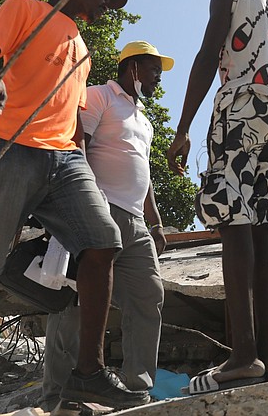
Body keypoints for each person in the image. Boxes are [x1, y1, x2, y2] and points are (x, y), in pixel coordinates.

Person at [0, 0, 149, 416]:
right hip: (9, 145)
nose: (105, 6)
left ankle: (88, 374)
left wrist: (79, 161)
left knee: (102, 242)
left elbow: (72, 117)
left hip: (65, 157)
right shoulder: (25, 9)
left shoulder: (82, 47)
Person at [167, 0, 268, 394]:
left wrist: (184, 126)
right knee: (267, 231)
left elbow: (209, 53)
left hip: (239, 112)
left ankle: (243, 356)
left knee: (234, 222)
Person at [40, 41, 174, 412]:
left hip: (134, 221)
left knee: (149, 296)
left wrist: (156, 222)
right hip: (95, 210)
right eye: (152, 70)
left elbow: (141, 173)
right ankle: (58, 397)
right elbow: (75, 141)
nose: (157, 78)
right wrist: (87, 199)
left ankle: (137, 391)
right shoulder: (98, 95)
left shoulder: (143, 118)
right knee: (75, 305)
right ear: (132, 68)